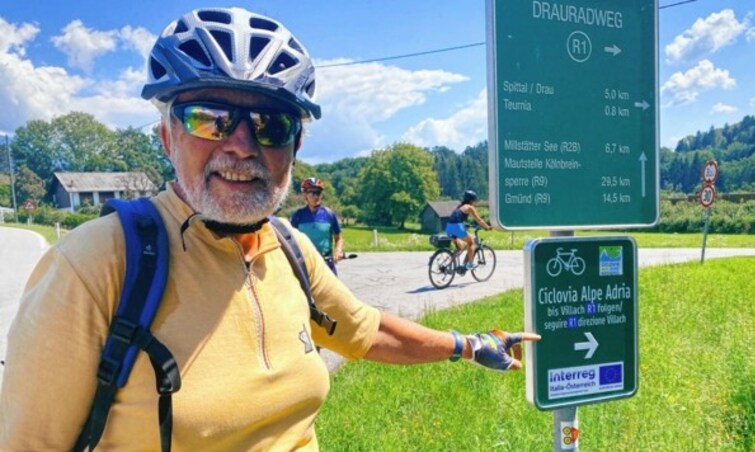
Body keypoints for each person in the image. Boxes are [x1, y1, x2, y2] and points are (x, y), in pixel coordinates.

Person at [0, 7, 538, 451]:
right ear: (167, 137)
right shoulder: (97, 264)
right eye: (209, 118)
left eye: (269, 125)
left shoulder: (289, 249)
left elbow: (366, 330)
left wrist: (468, 343)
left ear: (295, 149)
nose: (240, 144)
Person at [291, 177, 343, 275]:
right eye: (313, 193)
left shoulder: (329, 214)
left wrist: (338, 250)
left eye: (318, 193)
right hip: (305, 264)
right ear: (305, 195)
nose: (316, 196)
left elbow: (339, 238)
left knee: (334, 290)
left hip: (327, 264)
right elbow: (291, 240)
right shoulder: (298, 216)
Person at [445, 190, 492, 269]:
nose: (475, 203)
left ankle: (447, 266)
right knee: (471, 242)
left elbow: (457, 217)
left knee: (459, 248)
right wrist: (487, 227)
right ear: (472, 200)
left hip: (449, 227)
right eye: (474, 201)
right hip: (457, 227)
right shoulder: (470, 207)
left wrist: (465, 224)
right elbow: (479, 220)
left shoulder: (459, 206)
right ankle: (469, 264)